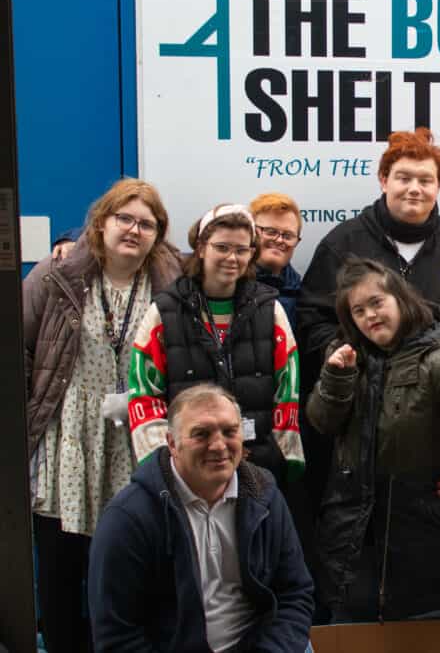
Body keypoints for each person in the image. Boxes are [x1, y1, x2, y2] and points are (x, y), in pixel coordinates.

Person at [22, 178, 181, 652]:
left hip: (139, 442)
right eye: (124, 218)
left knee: (134, 569)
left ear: (158, 234)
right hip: (67, 439)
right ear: (100, 223)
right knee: (59, 572)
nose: (134, 230)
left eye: (146, 224)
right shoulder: (55, 278)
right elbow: (18, 348)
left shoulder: (170, 287)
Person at [305, 257, 440, 622]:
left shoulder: (439, 361)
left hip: (420, 542)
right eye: (358, 310)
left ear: (400, 299)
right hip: (351, 541)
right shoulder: (348, 355)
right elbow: (322, 422)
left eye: (377, 302)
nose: (370, 315)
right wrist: (336, 378)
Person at [88, 384, 314, 651]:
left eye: (230, 432)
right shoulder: (129, 518)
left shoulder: (263, 494)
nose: (219, 446)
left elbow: (295, 594)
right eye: (201, 434)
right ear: (171, 443)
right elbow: (117, 636)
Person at [128, 204, 304, 486]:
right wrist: (162, 462)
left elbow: (288, 390)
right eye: (222, 247)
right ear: (201, 247)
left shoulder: (270, 310)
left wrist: (284, 455)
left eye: (242, 250)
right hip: (186, 471)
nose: (232, 258)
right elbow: (144, 394)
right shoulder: (164, 312)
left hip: (258, 467)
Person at [297, 127, 440, 363]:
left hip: (437, 389)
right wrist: (357, 355)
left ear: (437, 186)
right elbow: (311, 320)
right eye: (404, 178)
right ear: (384, 180)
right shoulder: (342, 243)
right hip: (362, 391)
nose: (414, 189)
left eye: (425, 180)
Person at [251, 192, 304, 330]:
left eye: (288, 235)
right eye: (270, 231)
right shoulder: (230, 285)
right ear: (251, 232)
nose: (279, 240)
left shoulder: (302, 293)